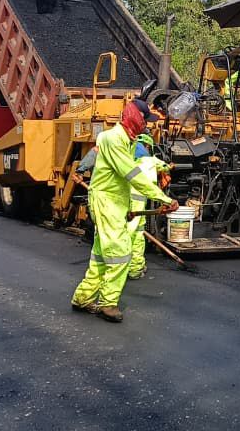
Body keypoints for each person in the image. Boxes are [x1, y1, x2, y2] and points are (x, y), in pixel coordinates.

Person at [72, 101, 177, 323]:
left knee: (101, 255)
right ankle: (108, 303)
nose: (146, 127)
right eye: (144, 122)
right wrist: (163, 197)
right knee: (120, 253)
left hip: (115, 203)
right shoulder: (114, 139)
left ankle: (83, 297)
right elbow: (131, 174)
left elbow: (122, 180)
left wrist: (129, 208)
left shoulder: (127, 140)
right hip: (106, 202)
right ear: (136, 120)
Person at [127, 134, 170, 279]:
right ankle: (132, 269)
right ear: (147, 147)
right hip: (138, 200)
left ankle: (134, 267)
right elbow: (165, 166)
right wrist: (168, 169)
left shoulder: (125, 157)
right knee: (134, 233)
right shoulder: (150, 160)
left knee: (133, 233)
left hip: (121, 199)